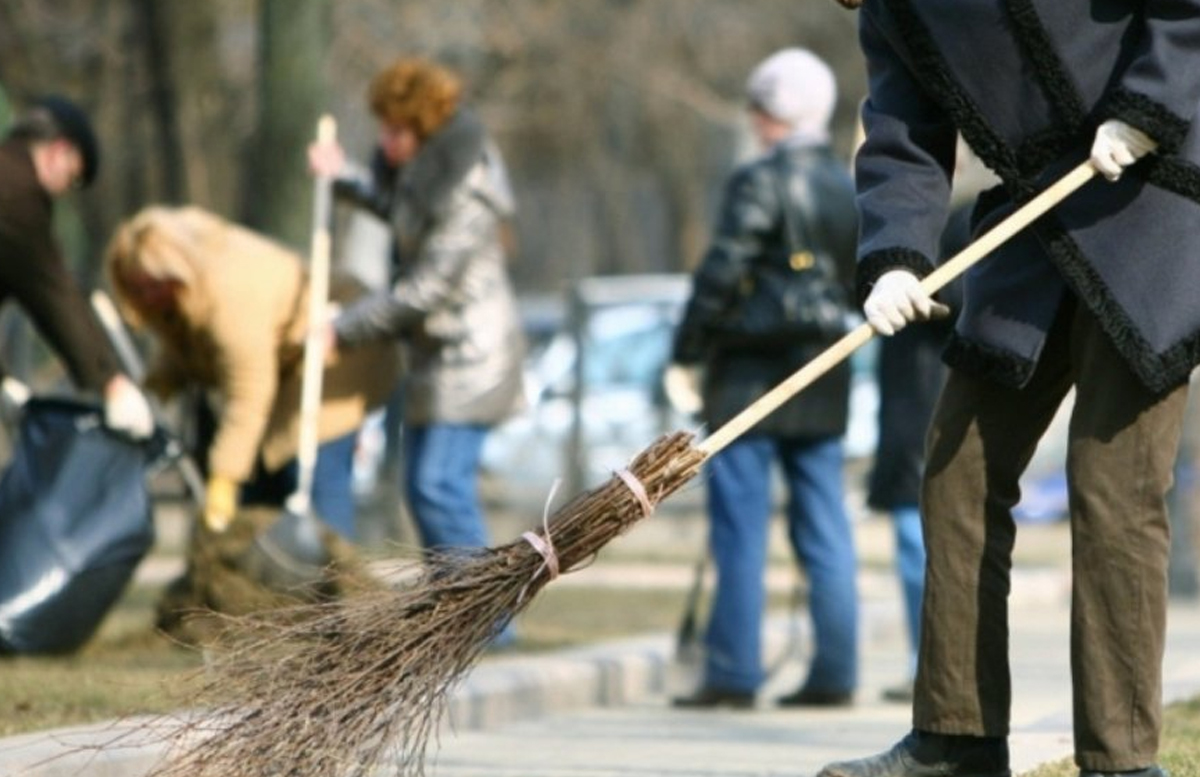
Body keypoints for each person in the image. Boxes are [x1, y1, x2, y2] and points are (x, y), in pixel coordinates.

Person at [818, 2, 1200, 776]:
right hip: (1038, 212)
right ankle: (957, 737)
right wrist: (895, 254)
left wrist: (1145, 104)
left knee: (1113, 486)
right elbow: (902, 131)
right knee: (957, 468)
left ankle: (1122, 759)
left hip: (1153, 192)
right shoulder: (890, 10)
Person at [666, 48, 860, 710]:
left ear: (775, 112)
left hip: (750, 375)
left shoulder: (758, 180)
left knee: (739, 527)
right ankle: (836, 669)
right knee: (825, 523)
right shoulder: (846, 182)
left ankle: (734, 672)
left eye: (758, 105)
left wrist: (686, 348)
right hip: (824, 370)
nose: (751, 118)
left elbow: (722, 271)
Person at [306, 58, 525, 576]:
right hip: (438, 354)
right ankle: (457, 609)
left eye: (397, 131)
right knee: (422, 486)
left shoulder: (467, 189)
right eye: (384, 129)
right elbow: (397, 209)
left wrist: (342, 328)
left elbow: (424, 290)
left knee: (437, 484)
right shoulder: (425, 177)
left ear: (425, 131)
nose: (386, 142)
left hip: (473, 356)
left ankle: (484, 617)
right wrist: (341, 179)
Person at [105, 205, 400, 539]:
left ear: (176, 272)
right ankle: (270, 580)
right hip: (287, 362)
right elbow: (186, 350)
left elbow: (248, 395)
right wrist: (153, 390)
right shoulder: (185, 294)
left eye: (153, 286)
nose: (148, 297)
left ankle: (338, 576)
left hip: (337, 348)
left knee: (310, 467)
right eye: (138, 288)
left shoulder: (231, 295)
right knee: (263, 475)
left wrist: (224, 478)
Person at [0, 95, 153, 440]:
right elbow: (53, 294)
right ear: (58, 152)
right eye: (73, 178)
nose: (66, 191)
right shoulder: (17, 194)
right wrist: (111, 382)